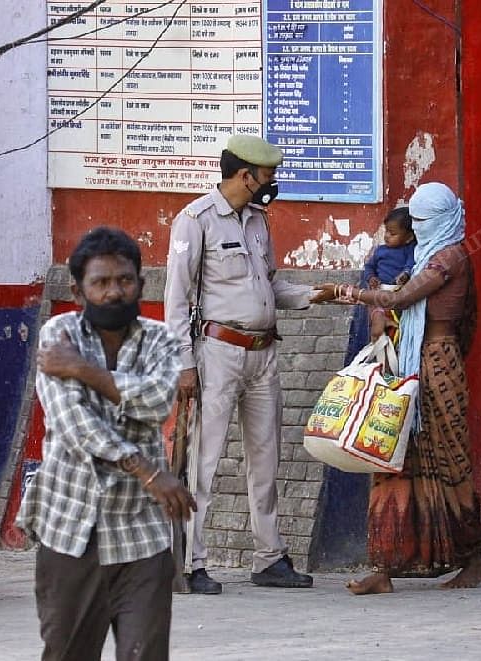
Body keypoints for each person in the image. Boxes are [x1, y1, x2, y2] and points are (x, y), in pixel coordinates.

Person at [17, 227, 195, 659]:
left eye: (124, 280)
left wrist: (85, 371)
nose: (114, 292)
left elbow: (155, 403)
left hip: (142, 534)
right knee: (68, 653)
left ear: (140, 283)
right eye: (101, 283)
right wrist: (146, 470)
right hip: (71, 529)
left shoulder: (161, 339)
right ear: (78, 292)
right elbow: (72, 422)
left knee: (145, 653)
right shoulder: (60, 334)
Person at [313, 182, 481, 595]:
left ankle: (472, 558)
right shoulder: (431, 254)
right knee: (391, 455)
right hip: (412, 358)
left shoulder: (449, 258)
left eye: (424, 222)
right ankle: (386, 566)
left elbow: (402, 299)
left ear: (441, 222)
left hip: (436, 362)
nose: (419, 228)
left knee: (448, 461)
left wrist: (343, 292)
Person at [164, 135, 317, 594]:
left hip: (263, 352)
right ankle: (192, 563)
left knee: (266, 459)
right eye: (267, 174)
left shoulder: (258, 222)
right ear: (245, 175)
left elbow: (270, 284)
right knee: (204, 461)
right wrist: (184, 365)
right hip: (218, 353)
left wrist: (315, 295)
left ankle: (269, 557)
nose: (272, 182)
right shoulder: (195, 220)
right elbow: (176, 300)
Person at [360, 207, 416, 343]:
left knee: (395, 332)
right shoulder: (380, 250)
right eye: (386, 231)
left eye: (392, 233)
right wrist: (371, 277)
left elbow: (410, 264)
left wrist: (405, 274)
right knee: (375, 327)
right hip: (379, 292)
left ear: (408, 237)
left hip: (397, 295)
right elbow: (369, 266)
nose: (387, 236)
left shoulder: (410, 249)